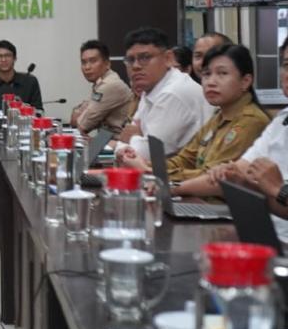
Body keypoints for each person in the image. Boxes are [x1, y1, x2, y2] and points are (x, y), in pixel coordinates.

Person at [116, 44, 269, 199]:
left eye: (222, 73)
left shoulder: (250, 122)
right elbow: (185, 159)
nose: (211, 82)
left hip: (222, 208)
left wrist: (150, 171)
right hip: (198, 201)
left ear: (245, 81)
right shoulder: (218, 117)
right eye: (206, 74)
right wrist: (146, 164)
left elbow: (212, 177)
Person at [211, 37, 288, 240]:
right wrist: (240, 181)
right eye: (287, 65)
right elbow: (245, 172)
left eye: (222, 73)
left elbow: (276, 191)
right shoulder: (282, 120)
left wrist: (279, 190)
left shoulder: (252, 118)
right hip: (266, 235)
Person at [115, 27, 212, 159]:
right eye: (130, 60)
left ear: (168, 58)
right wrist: (137, 138)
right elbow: (122, 146)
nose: (136, 66)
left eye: (145, 57)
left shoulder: (173, 92)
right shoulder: (152, 88)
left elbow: (147, 154)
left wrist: (134, 137)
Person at [70, 40, 133, 135]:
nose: (87, 67)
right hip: (106, 139)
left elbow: (82, 125)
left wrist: (80, 112)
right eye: (83, 62)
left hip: (119, 142)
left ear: (107, 64)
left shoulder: (109, 85)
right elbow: (75, 121)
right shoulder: (100, 83)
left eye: (93, 61)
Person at [0, 40, 43, 110]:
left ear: (15, 58)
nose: (3, 59)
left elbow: (39, 111)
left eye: (7, 55)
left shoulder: (30, 82)